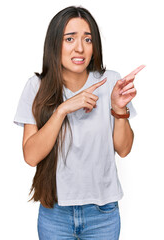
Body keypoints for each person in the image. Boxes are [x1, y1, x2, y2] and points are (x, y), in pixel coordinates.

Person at [13, 6, 145, 240]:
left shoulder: (110, 81)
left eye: (87, 38)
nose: (80, 48)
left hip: (103, 214)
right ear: (55, 43)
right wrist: (63, 109)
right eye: (70, 38)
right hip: (55, 213)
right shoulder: (36, 87)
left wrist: (118, 108)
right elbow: (31, 156)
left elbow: (124, 150)